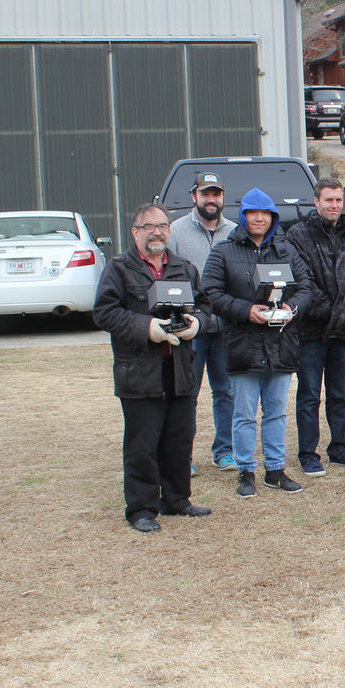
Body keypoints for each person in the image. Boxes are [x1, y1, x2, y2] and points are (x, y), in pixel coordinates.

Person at [93, 203, 212, 533]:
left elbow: (205, 306)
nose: (157, 232)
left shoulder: (184, 268)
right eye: (149, 227)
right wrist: (146, 327)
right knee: (142, 444)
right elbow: (104, 312)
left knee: (179, 438)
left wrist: (197, 324)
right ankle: (142, 509)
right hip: (139, 371)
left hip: (179, 369)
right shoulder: (119, 269)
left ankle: (176, 499)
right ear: (135, 232)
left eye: (163, 226)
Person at [201, 189, 316, 499]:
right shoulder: (224, 251)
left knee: (276, 412)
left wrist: (291, 308)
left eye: (265, 213)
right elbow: (210, 292)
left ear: (273, 218)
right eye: (253, 213)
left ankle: (275, 470)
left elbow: (306, 288)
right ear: (244, 216)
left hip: (281, 343)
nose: (260, 218)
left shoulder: (286, 250)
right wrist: (245, 310)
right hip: (243, 344)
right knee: (243, 413)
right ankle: (246, 471)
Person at [285, 176, 345, 477]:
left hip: (344, 328)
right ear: (316, 202)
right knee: (309, 394)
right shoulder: (298, 235)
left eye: (338, 200)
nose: (334, 205)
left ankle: (339, 448)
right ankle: (308, 453)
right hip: (311, 329)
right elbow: (301, 281)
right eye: (328, 200)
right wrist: (332, 310)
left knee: (339, 393)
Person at [167, 171, 237, 474]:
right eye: (205, 194)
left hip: (225, 328)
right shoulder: (176, 231)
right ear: (193, 196)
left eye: (216, 194)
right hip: (191, 329)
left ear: (222, 198)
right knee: (187, 393)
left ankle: (225, 452)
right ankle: (183, 455)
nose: (211, 200)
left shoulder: (234, 231)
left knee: (227, 393)